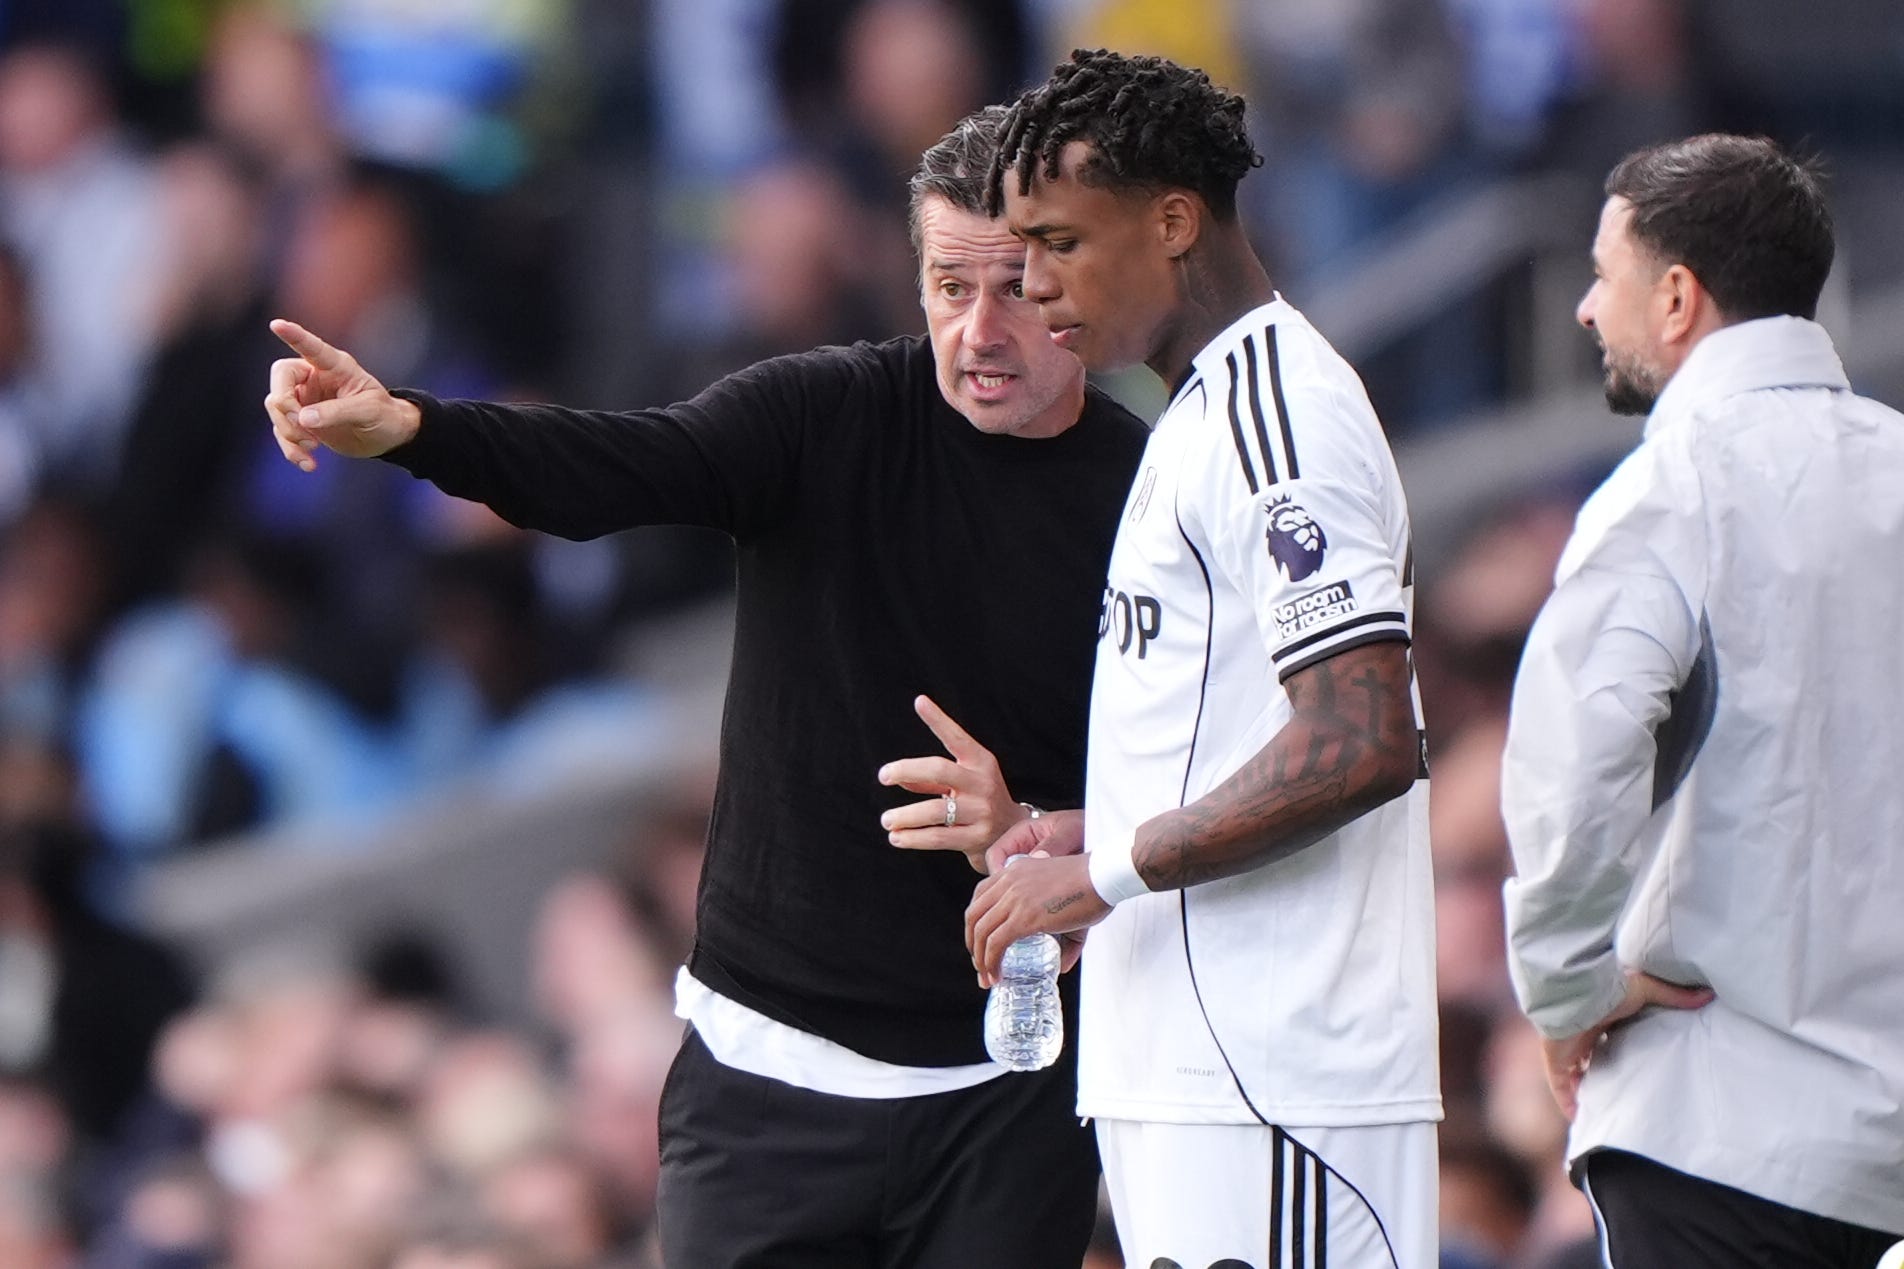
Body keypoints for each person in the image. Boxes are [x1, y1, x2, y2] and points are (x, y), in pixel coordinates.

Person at [263, 107, 1149, 1269]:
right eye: (948, 287)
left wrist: (1040, 829)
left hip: (1009, 1094)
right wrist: (412, 430)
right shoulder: (824, 413)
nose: (977, 330)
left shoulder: (1150, 493)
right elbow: (614, 467)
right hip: (766, 1080)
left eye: (1017, 289)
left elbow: (1215, 781)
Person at [963, 50, 1440, 1267]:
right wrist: (1093, 832)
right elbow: (1249, 734)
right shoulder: (1196, 413)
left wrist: (1106, 873)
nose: (1031, 281)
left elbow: (1361, 740)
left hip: (1276, 1078)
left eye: (1059, 242)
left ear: (1172, 222)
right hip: (1189, 1074)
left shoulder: (1279, 416)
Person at [1500, 133, 1904, 1265]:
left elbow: (1570, 774)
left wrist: (1566, 991)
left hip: (1715, 1132)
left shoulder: (1666, 491)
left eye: (1603, 274)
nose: (1585, 307)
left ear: (1676, 297)